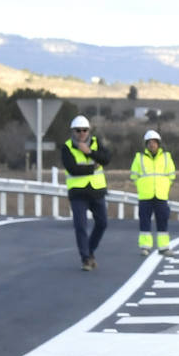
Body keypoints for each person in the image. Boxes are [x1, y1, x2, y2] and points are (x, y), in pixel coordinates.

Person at [60, 114, 110, 271]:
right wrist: (92, 167)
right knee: (80, 226)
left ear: (89, 131)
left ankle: (90, 250)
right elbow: (72, 169)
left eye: (84, 130)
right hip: (78, 193)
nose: (81, 133)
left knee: (102, 223)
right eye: (78, 130)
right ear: (72, 131)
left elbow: (106, 159)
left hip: (97, 191)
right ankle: (86, 259)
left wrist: (89, 152)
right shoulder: (67, 147)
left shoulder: (95, 143)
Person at [129, 129, 176, 256]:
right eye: (149, 142)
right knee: (145, 221)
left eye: (154, 142)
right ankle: (145, 247)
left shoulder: (166, 157)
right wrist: (141, 186)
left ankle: (164, 247)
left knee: (163, 221)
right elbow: (134, 176)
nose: (152, 145)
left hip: (161, 195)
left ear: (158, 143)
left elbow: (172, 175)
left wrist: (165, 186)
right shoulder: (139, 158)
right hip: (145, 195)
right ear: (146, 144)